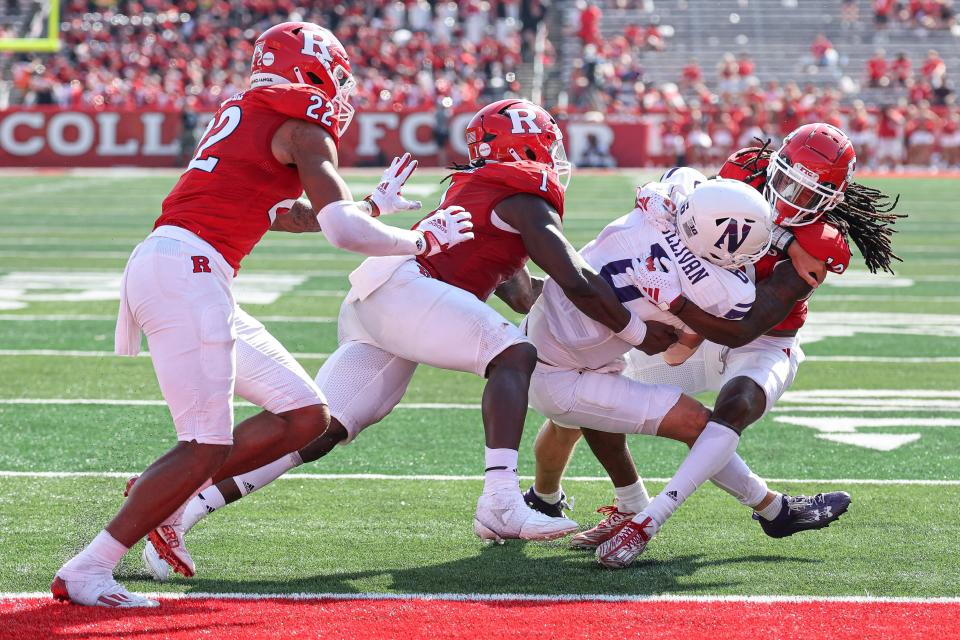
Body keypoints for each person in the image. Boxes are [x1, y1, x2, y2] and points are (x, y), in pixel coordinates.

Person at [139, 98, 681, 580]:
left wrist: (611, 305)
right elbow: (575, 277)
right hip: (407, 290)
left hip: (384, 299)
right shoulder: (522, 197)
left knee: (321, 429)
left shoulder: (487, 193)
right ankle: (498, 500)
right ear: (529, 146)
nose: (554, 157)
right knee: (513, 353)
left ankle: (179, 509)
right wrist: (634, 329)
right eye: (547, 145)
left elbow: (522, 293)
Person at [51, 21, 472, 608]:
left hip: (188, 269)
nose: (341, 92)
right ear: (311, 70)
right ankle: (89, 567)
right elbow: (341, 231)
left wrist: (373, 206)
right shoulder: (300, 125)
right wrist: (419, 241)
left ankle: (161, 493)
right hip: (187, 271)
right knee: (204, 442)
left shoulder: (252, 114)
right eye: (336, 77)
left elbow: (277, 211)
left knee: (304, 416)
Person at [528, 124, 903, 558]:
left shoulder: (823, 243)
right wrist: (660, 196)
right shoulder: (744, 168)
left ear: (831, 200)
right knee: (593, 391)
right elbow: (690, 203)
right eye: (785, 182)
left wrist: (675, 300)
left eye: (807, 195)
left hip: (760, 339)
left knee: (733, 409)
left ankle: (649, 520)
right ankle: (618, 504)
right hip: (696, 326)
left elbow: (744, 328)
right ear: (774, 163)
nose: (788, 199)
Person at [524, 169, 777, 568]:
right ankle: (770, 506)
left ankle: (546, 499)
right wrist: (669, 313)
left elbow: (661, 187)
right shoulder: (726, 291)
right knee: (699, 424)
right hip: (562, 371)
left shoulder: (666, 198)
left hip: (545, 334)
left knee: (570, 421)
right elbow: (673, 356)